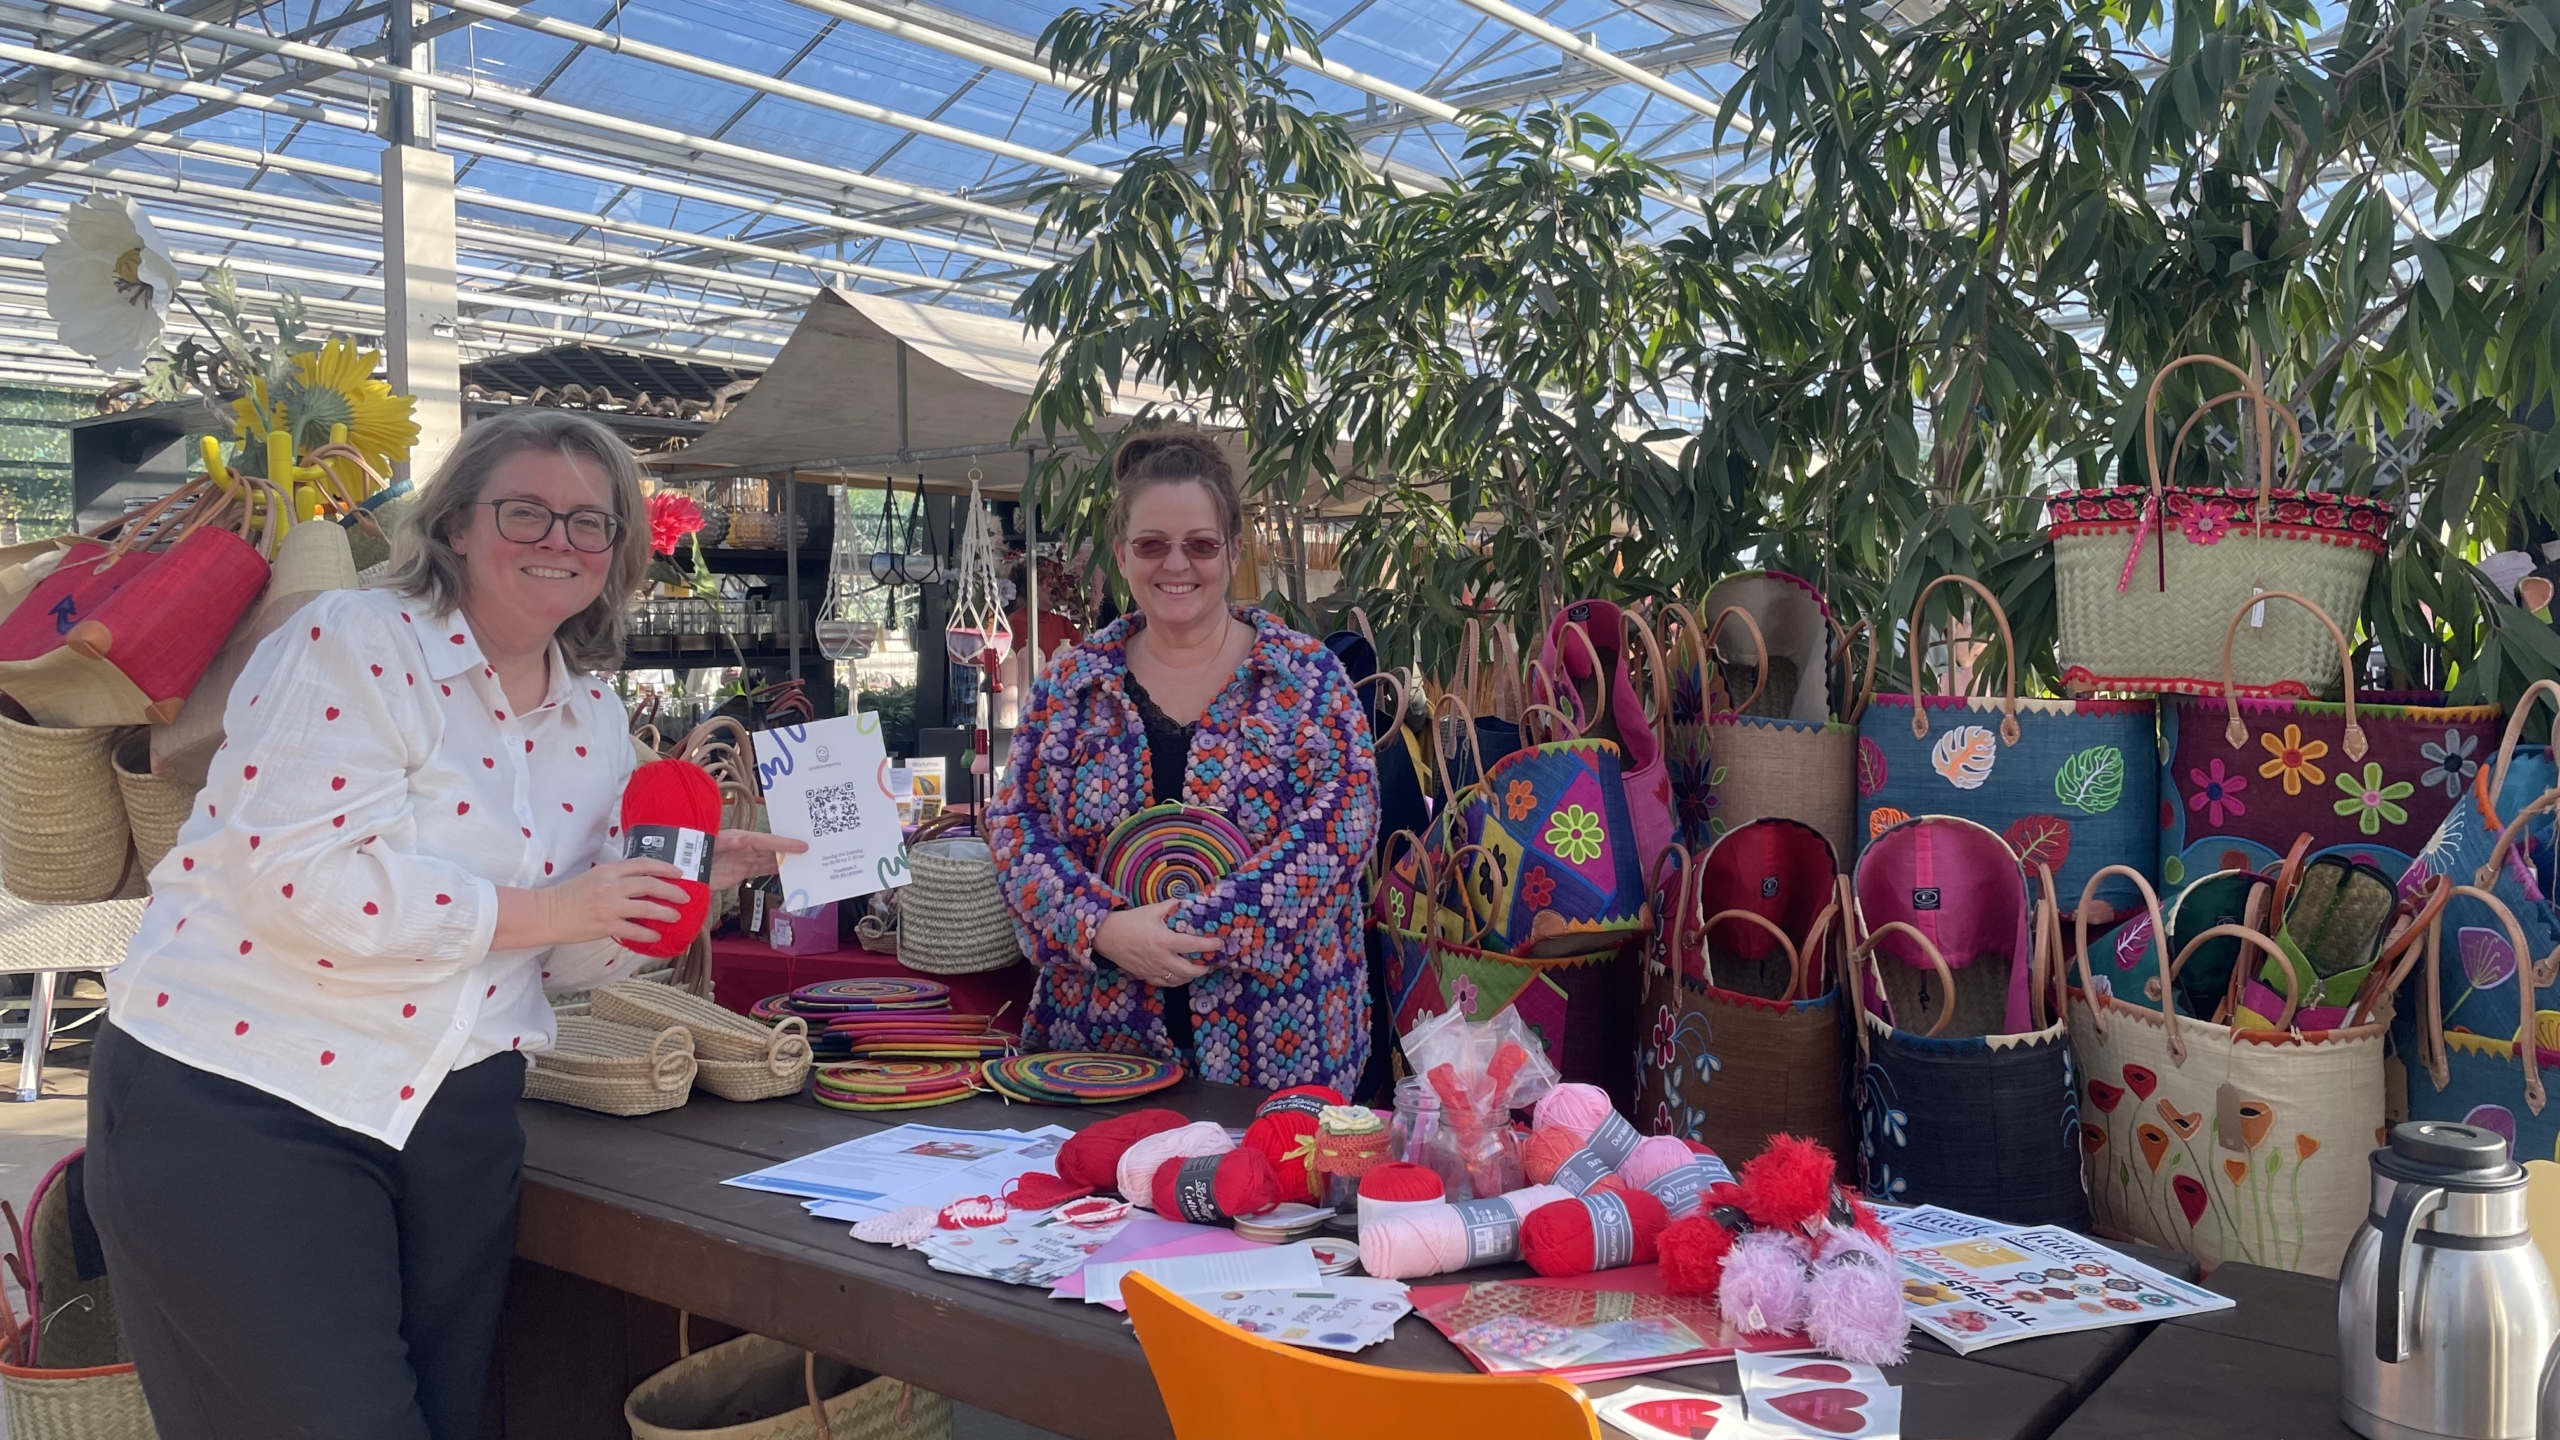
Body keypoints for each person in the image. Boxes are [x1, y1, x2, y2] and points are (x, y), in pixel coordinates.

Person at [86, 409, 805, 1440]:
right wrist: (559, 903)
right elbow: (300, 882)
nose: (560, 543)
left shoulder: (593, 715)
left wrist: (668, 891)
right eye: (526, 513)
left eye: (589, 524)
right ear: (458, 525)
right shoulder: (355, 640)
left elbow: (557, 958)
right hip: (247, 1098)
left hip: (454, 1118)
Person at [987, 428, 1380, 1091]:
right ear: (1121, 554)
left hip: (1279, 1057)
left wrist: (1188, 933)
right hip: (1098, 1053)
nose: (1177, 565)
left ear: (1232, 551)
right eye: (1151, 545)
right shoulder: (1074, 683)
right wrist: (1103, 929)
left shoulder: (1305, 679)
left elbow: (1341, 832)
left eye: (1199, 544)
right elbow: (1014, 827)